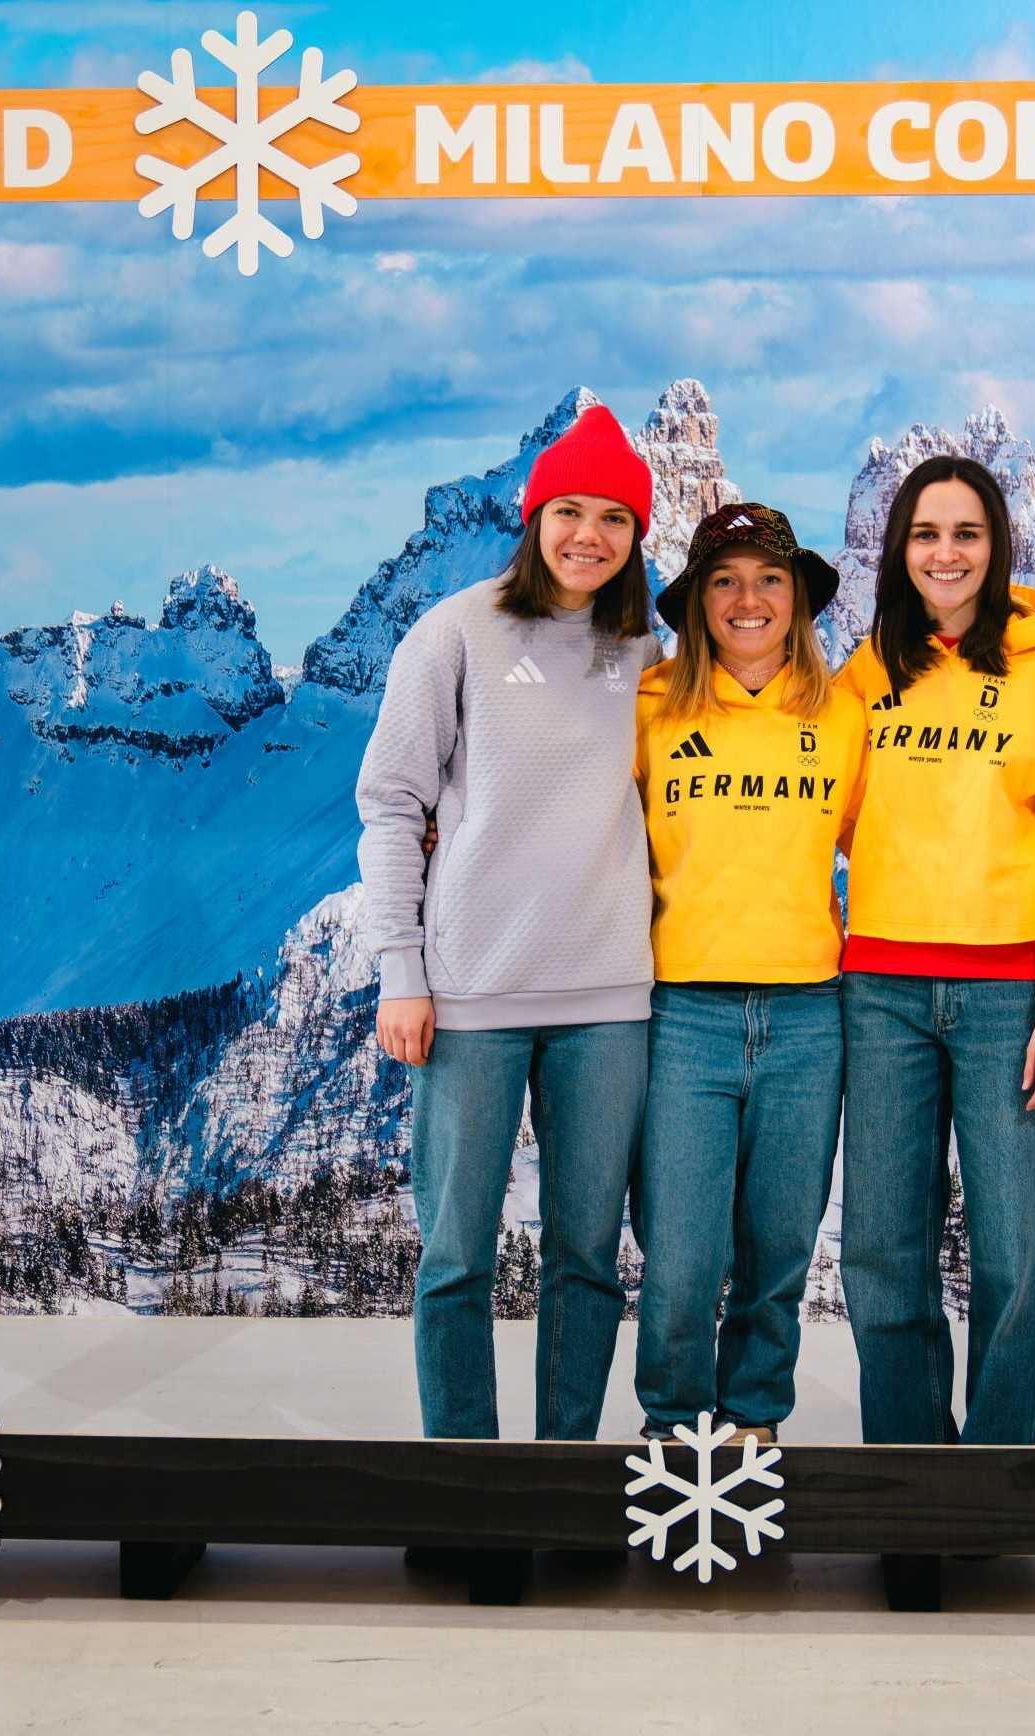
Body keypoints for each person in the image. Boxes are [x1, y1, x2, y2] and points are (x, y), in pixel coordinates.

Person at [356, 403, 661, 1440]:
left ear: (637, 535)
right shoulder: (456, 630)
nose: (589, 534)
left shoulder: (647, 654)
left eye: (615, 517)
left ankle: (563, 1471)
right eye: (569, 510)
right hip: (472, 993)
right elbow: (392, 802)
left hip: (612, 1000)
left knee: (586, 1254)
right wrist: (402, 969)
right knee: (456, 1254)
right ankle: (465, 1481)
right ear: (534, 517)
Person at [834, 453, 1035, 1446]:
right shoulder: (870, 675)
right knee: (879, 1245)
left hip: (1010, 998)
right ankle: (913, 1481)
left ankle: (994, 1482)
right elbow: (803, 807)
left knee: (1014, 1251)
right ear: (898, 550)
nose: (944, 553)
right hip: (879, 996)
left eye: (965, 533)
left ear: (996, 548)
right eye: (924, 533)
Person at [631, 502, 865, 1444]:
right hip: (682, 1013)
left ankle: (753, 1421)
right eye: (723, 580)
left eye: (770, 579)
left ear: (800, 599)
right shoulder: (650, 708)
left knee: (777, 1245)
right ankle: (670, 1425)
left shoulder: (844, 712)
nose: (748, 598)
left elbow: (903, 836)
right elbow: (560, 801)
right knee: (682, 1251)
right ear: (695, 604)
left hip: (810, 1014)